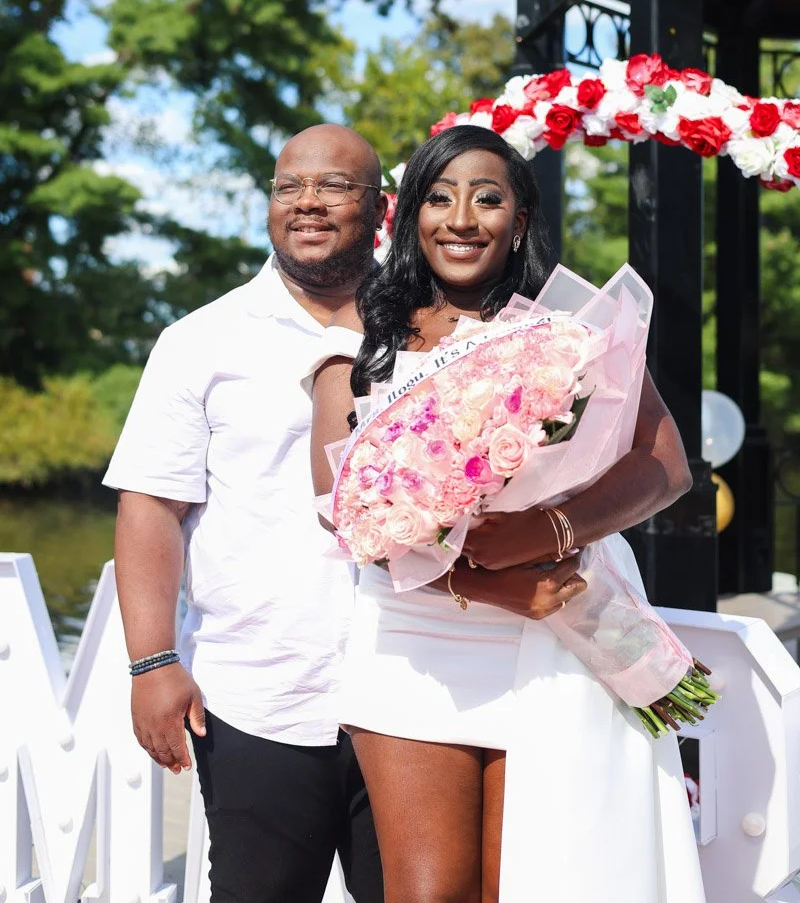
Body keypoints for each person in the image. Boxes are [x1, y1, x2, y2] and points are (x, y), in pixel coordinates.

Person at [310, 124, 706, 903]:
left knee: (534, 883)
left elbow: (666, 465)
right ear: (410, 217)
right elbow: (345, 518)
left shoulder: (566, 335)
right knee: (429, 894)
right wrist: (488, 582)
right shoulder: (359, 348)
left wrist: (551, 530)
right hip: (413, 640)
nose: (462, 218)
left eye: (488, 199)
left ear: (519, 220)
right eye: (439, 196)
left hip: (561, 629)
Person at [106, 124, 387, 903]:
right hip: (261, 692)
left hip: (411, 686)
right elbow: (151, 507)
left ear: (378, 205)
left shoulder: (427, 328)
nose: (307, 203)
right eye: (287, 186)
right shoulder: (200, 340)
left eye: (333, 185)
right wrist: (152, 663)